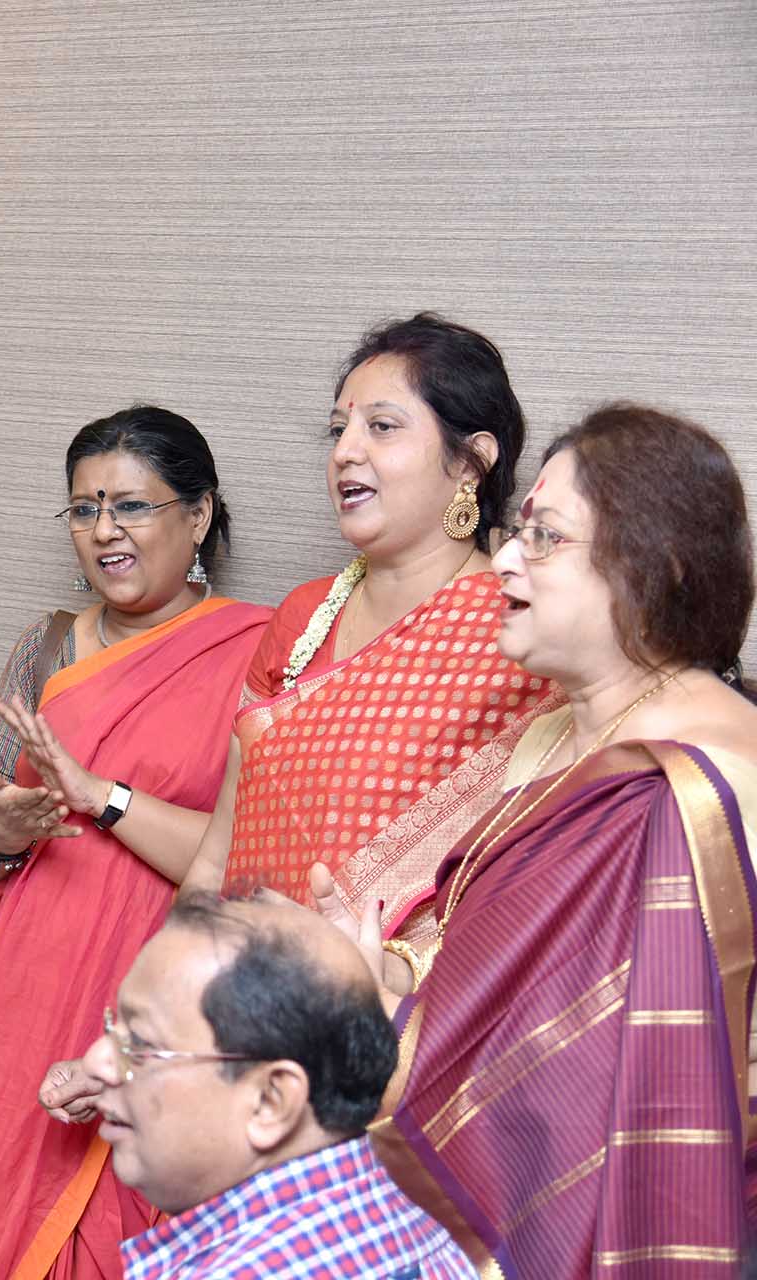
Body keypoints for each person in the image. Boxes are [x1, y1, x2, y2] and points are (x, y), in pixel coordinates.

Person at [322, 404, 757, 1272]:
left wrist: (376, 1005)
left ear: (654, 566)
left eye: (546, 538)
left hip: (624, 1203)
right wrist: (383, 965)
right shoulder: (549, 733)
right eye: (517, 532)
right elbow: (475, 948)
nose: (506, 560)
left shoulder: (691, 786)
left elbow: (576, 1067)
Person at [0, 407, 273, 1278]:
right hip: (13, 1011)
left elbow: (245, 859)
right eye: (82, 509)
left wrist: (103, 799)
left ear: (197, 516)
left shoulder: (259, 655)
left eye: (132, 506)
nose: (104, 530)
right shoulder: (46, 648)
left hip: (155, 1017)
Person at [183, 313, 561, 954]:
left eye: (381, 427)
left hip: (402, 1014)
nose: (343, 452)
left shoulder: (524, 627)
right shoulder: (304, 615)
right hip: (238, 984)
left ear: (472, 459)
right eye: (338, 430)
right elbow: (217, 855)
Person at [85, 893, 473, 1278]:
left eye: (141, 1044)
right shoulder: (405, 1213)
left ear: (271, 1101)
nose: (96, 1061)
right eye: (111, 1027)